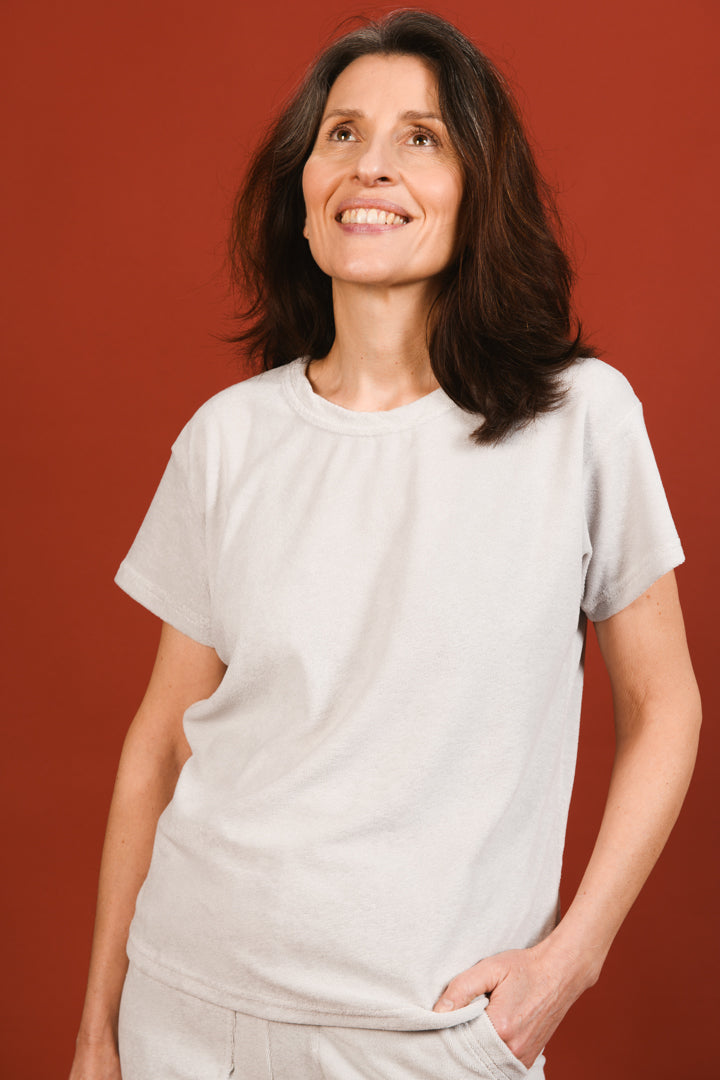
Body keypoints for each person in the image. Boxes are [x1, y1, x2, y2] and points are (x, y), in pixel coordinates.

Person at [69, 10, 701, 1080]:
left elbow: (666, 707)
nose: (372, 165)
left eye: (421, 137)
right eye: (343, 134)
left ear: (479, 188)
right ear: (304, 191)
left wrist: (572, 959)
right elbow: (161, 746)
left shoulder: (582, 420)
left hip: (425, 1039)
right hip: (186, 1010)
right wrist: (98, 1032)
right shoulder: (229, 439)